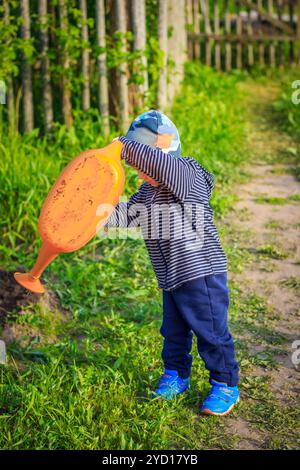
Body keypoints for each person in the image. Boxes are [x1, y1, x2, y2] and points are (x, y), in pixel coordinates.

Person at [105, 110, 239, 416]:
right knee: (173, 331)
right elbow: (125, 214)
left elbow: (159, 163)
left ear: (157, 154)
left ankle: (225, 382)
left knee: (211, 331)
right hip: (171, 277)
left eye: (140, 165)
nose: (138, 173)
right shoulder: (149, 192)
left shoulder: (186, 175)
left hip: (201, 273)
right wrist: (91, 215)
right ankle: (177, 374)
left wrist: (122, 145)